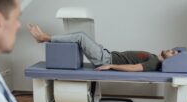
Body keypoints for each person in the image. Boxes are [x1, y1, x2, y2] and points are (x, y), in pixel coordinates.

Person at [27, 24, 179, 72]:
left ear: (171, 61)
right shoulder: (153, 56)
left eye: (173, 53)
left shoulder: (154, 63)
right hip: (106, 54)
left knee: (80, 36)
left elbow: (134, 68)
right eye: (172, 49)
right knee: (80, 37)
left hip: (105, 59)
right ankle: (45, 38)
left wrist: (110, 65)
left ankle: (44, 38)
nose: (170, 50)